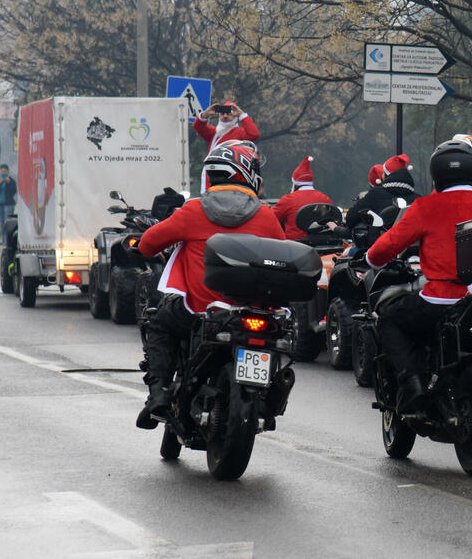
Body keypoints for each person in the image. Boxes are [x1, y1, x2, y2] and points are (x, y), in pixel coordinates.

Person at [135, 141, 285, 429]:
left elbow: (148, 244)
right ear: (245, 173)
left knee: (159, 324)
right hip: (252, 310)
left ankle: (158, 395)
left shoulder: (193, 211)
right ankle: (269, 395)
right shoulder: (266, 215)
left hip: (200, 311)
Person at [366, 140, 472, 412]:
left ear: (436, 174)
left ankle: (413, 383)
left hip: (441, 300)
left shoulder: (425, 207)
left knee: (389, 320)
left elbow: (384, 248)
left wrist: (370, 258)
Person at [345, 154, 418, 228]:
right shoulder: (418, 199)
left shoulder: (375, 195)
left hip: (380, 239)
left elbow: (351, 218)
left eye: (383, 172)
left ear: (387, 175)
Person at [272, 156, 333, 240]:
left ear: (295, 184)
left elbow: (271, 218)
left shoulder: (288, 199)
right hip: (321, 244)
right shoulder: (325, 199)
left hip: (294, 246)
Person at [193, 101, 260, 152]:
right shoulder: (214, 133)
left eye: (228, 114)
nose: (225, 116)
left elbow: (254, 134)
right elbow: (198, 127)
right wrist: (205, 114)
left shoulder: (240, 133)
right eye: (222, 114)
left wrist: (241, 114)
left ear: (235, 115)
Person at [0, 164, 17, 244]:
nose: (3, 173)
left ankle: (8, 240)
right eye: (2, 172)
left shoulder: (11, 181)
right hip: (0, 204)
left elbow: (14, 191)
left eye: (5, 172)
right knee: (2, 222)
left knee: (8, 223)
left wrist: (9, 183)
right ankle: (4, 239)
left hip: (8, 204)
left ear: (8, 172)